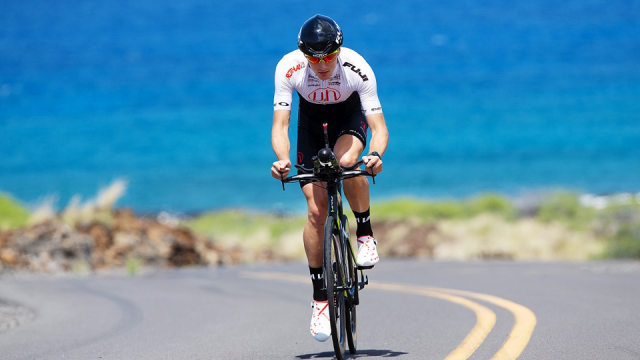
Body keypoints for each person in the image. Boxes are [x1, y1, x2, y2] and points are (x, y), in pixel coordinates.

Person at [270, 14, 389, 342]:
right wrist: (281, 160)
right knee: (316, 211)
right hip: (311, 126)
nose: (322, 65)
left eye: (328, 57)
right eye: (314, 58)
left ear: (339, 50)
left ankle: (364, 231)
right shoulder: (289, 67)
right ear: (303, 54)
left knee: (347, 161)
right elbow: (281, 125)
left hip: (348, 118)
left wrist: (375, 156)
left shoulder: (356, 67)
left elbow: (378, 128)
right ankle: (320, 298)